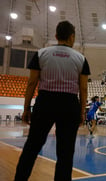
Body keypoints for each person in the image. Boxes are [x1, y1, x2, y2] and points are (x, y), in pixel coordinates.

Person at [14, 21, 90, 181]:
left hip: (45, 103)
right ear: (72, 36)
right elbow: (83, 89)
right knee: (65, 153)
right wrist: (82, 112)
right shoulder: (81, 58)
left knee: (32, 147)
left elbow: (31, 83)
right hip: (69, 105)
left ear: (56, 36)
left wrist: (26, 108)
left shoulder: (41, 53)